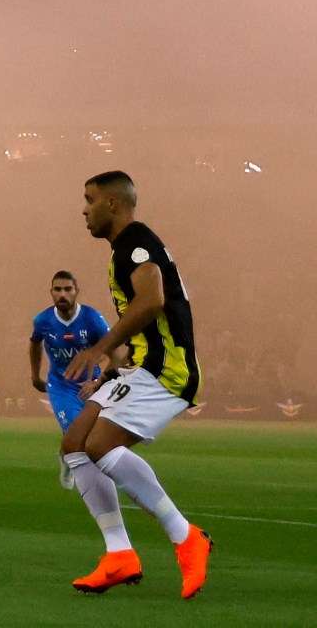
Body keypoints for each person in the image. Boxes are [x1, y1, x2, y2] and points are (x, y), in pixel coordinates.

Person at [59, 172, 212, 599]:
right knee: (75, 443)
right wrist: (109, 375)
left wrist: (101, 349)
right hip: (144, 365)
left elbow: (152, 301)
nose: (83, 210)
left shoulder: (135, 243)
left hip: (169, 371)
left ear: (112, 204)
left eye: (89, 200)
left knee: (100, 445)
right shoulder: (121, 251)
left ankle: (186, 538)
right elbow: (143, 323)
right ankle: (119, 554)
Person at [30, 270, 111, 488]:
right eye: (58, 289)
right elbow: (35, 344)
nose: (62, 294)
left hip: (91, 384)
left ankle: (66, 455)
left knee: (98, 435)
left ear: (76, 291)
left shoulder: (92, 319)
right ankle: (88, 478)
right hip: (60, 385)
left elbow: (115, 352)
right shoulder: (43, 320)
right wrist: (35, 374)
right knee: (76, 431)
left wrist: (97, 382)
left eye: (67, 289)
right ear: (51, 292)